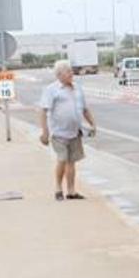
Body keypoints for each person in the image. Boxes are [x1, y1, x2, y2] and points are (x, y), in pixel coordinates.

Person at [38, 60, 97, 201]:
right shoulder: (52, 90)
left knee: (72, 161)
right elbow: (43, 110)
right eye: (68, 71)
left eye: (71, 71)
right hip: (58, 133)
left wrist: (93, 124)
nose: (72, 74)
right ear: (59, 75)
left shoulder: (77, 88)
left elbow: (85, 109)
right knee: (62, 159)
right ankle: (58, 188)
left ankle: (71, 191)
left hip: (75, 132)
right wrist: (44, 132)